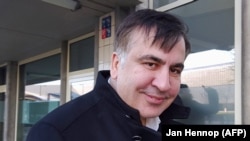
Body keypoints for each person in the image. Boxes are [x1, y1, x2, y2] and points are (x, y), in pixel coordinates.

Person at [26, 9, 191, 141]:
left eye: (175, 70)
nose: (164, 85)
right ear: (116, 65)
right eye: (150, 64)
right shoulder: (56, 133)